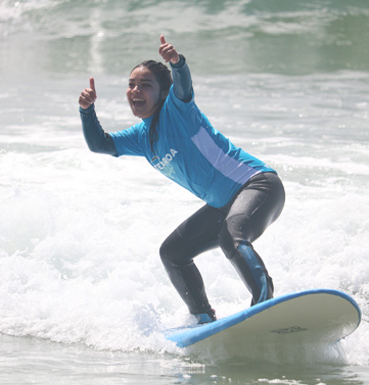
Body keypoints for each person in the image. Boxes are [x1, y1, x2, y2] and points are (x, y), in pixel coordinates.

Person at [79, 36, 285, 324]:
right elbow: (100, 144)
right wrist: (87, 111)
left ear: (163, 92)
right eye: (131, 85)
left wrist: (176, 62)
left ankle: (264, 302)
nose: (135, 90)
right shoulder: (140, 137)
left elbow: (183, 84)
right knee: (173, 252)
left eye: (145, 85)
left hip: (257, 185)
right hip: (223, 204)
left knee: (232, 235)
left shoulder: (178, 110)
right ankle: (203, 318)